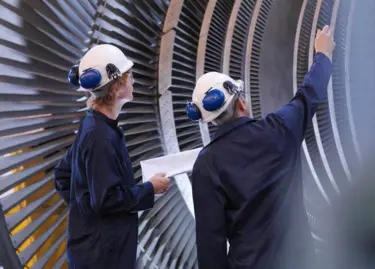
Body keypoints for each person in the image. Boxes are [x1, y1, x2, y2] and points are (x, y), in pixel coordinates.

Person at [186, 25, 335, 269]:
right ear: (241, 103)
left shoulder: (207, 164)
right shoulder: (278, 130)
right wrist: (323, 55)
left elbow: (210, 244)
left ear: (209, 120)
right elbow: (309, 94)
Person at [53, 44, 170, 269]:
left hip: (95, 250)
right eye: (129, 76)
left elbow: (62, 175)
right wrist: (150, 189)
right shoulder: (101, 137)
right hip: (103, 257)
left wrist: (86, 214)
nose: (133, 81)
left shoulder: (95, 126)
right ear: (116, 87)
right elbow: (106, 199)